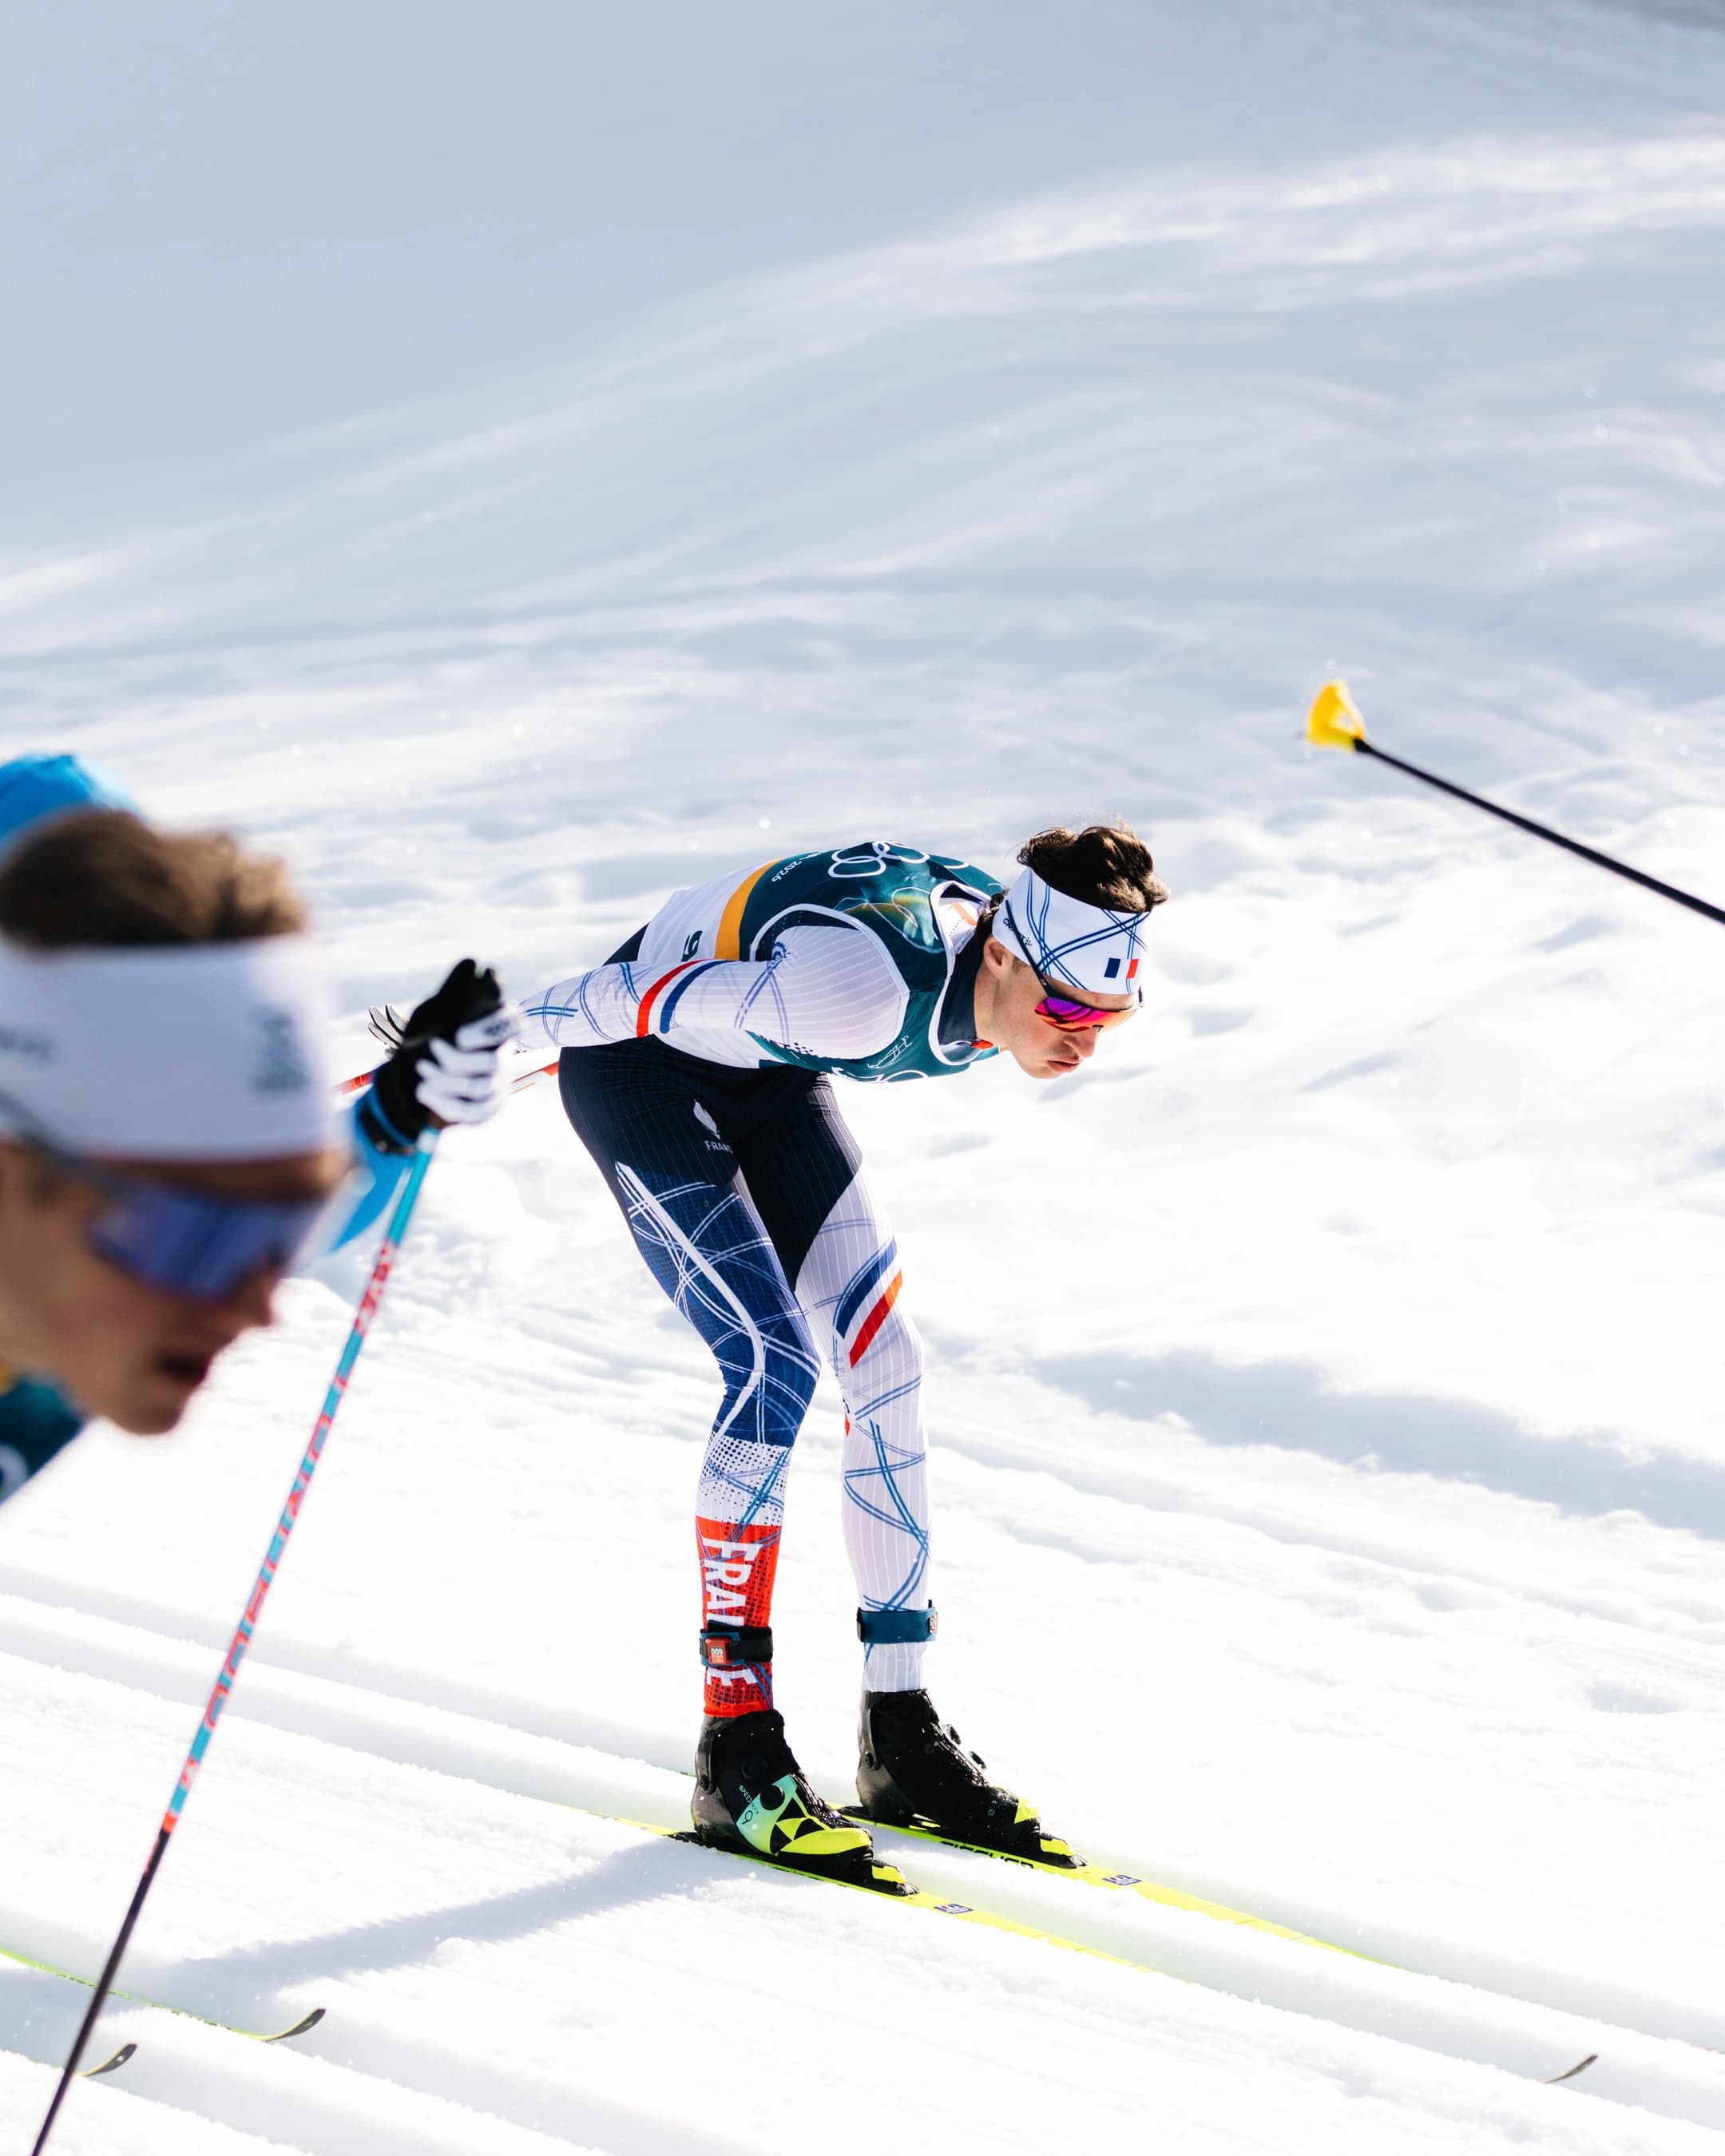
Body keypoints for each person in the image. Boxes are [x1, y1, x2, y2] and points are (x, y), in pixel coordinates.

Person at [518, 826, 1167, 1888]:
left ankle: (900, 1739)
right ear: (1001, 958)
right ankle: (736, 1751)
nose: (1084, 1041)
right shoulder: (860, 992)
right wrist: (465, 1049)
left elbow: (936, 874)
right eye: (1065, 1008)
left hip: (770, 1069)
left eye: (1109, 1016)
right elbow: (613, 1000)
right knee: (774, 1365)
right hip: (642, 1064)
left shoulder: (988, 940)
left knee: (889, 1362)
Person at [0, 763, 518, 1504]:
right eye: (194, 1238)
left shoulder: (81, 1272)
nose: (259, 1306)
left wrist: (391, 1120)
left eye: (285, 1221)